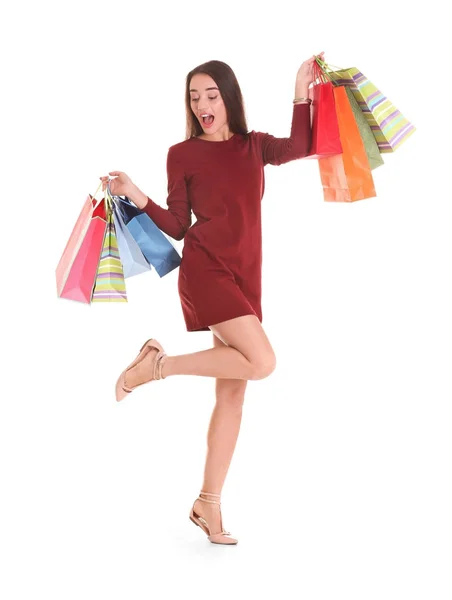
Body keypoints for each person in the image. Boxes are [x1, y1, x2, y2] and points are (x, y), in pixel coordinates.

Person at [100, 53, 323, 545]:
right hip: (206, 271)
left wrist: (300, 90)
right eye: (194, 97)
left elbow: (304, 145)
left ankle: (208, 504)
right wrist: (135, 191)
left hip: (245, 276)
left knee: (233, 390)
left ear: (228, 98)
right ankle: (155, 366)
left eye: (211, 95)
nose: (202, 104)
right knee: (261, 362)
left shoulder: (254, 146)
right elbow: (179, 226)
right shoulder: (182, 154)